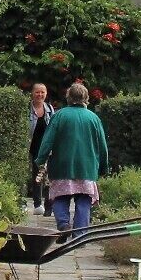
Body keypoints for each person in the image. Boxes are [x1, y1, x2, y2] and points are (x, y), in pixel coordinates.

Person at [33, 82, 109, 234]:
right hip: (87, 168)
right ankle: (79, 234)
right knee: (84, 200)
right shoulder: (94, 118)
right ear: (86, 98)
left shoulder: (59, 115)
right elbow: (102, 146)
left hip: (62, 166)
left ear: (68, 97)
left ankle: (63, 224)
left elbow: (47, 141)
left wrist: (40, 159)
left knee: (60, 196)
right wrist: (103, 167)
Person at [25, 82, 52, 214]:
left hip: (45, 148)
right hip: (31, 146)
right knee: (32, 174)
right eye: (37, 92)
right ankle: (32, 204)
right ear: (32, 93)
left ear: (46, 94)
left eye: (43, 92)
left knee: (45, 175)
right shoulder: (26, 109)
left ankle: (45, 205)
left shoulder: (50, 109)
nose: (40, 94)